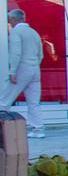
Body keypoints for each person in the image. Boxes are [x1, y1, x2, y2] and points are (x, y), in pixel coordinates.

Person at [0, 9, 44, 138]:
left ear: (13, 19)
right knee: (34, 102)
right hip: (35, 70)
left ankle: (2, 129)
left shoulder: (16, 32)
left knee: (4, 100)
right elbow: (40, 54)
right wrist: (34, 65)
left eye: (9, 20)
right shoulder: (33, 32)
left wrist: (12, 71)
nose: (9, 22)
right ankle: (38, 130)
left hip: (21, 69)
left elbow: (16, 53)